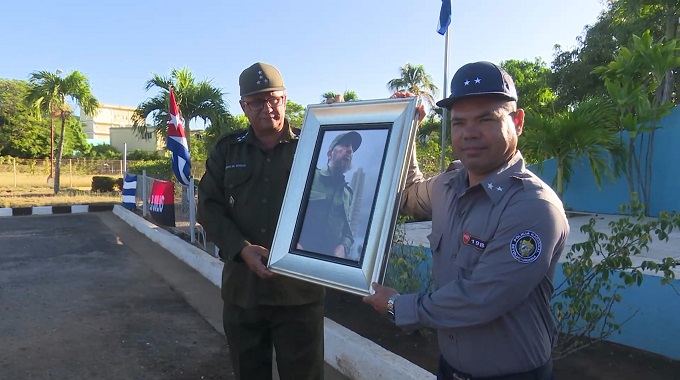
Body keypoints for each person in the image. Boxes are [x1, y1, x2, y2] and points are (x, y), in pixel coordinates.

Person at [363, 61, 570, 380]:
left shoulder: (532, 206)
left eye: (486, 119)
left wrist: (397, 305)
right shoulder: (449, 185)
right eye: (459, 122)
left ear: (517, 121)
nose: (469, 133)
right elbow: (406, 194)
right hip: (450, 369)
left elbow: (480, 298)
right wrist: (407, 129)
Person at [197, 62, 325, 380]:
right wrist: (241, 249)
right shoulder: (227, 151)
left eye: (274, 99)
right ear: (244, 106)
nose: (267, 108)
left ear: (284, 98)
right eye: (257, 101)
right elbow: (208, 208)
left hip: (300, 294)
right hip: (244, 294)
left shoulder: (314, 144)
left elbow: (335, 202)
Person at [296, 131, 361, 258]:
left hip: (328, 263)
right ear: (330, 153)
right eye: (345, 145)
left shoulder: (348, 193)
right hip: (299, 255)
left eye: (352, 150)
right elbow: (287, 214)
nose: (349, 150)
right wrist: (293, 242)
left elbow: (347, 232)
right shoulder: (310, 176)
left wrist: (343, 247)